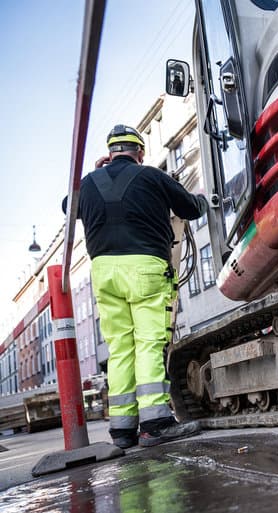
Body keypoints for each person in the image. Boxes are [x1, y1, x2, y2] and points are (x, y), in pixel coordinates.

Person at [63, 124, 207, 448]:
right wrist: (201, 200)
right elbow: (190, 208)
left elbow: (66, 207)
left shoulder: (88, 184)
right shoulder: (152, 177)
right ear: (139, 152)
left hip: (104, 273)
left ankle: (123, 430)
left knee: (120, 349)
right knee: (148, 342)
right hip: (144, 267)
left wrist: (95, 175)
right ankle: (155, 422)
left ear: (110, 153)